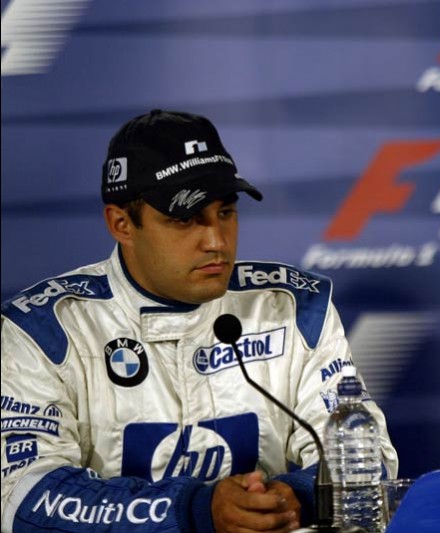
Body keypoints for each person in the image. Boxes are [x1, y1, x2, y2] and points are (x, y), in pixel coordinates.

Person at [0, 109, 399, 532]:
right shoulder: (43, 330)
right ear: (122, 224)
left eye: (225, 213)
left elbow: (366, 460)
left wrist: (294, 498)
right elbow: (21, 496)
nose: (216, 241)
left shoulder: (295, 308)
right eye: (185, 219)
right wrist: (197, 511)